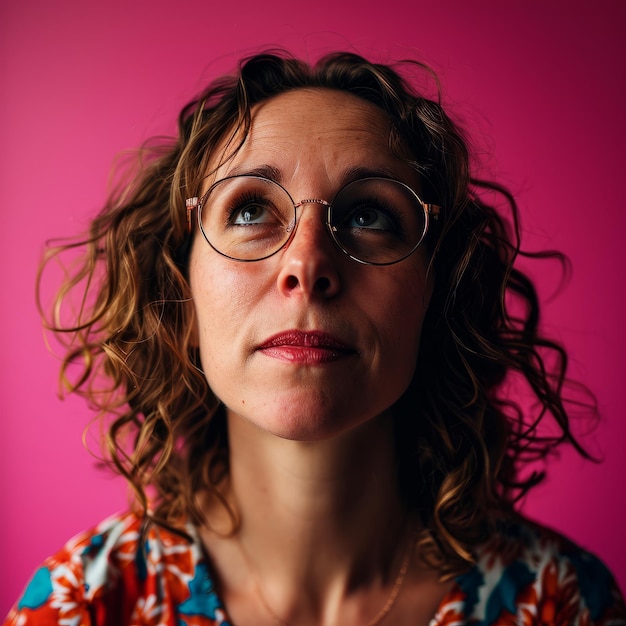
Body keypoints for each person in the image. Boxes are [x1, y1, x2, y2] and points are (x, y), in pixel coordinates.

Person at [4, 51, 625, 626]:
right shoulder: (83, 604)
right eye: (249, 211)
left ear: (437, 294)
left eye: (368, 215)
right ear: (180, 293)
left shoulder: (561, 602)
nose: (308, 263)